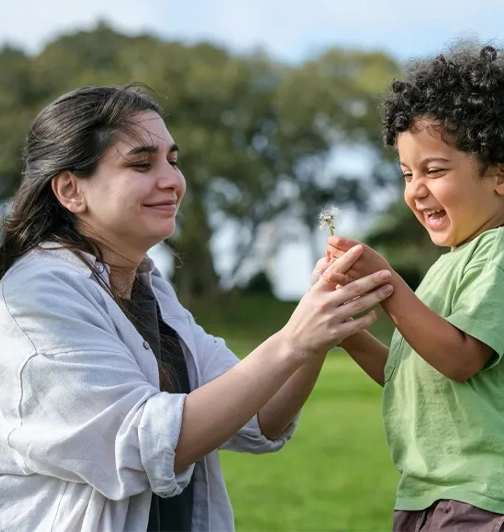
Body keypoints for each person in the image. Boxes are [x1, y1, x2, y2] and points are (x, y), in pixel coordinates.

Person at [0, 85, 394, 532]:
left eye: (172, 160)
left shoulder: (150, 291)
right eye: (141, 163)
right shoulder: (35, 297)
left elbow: (260, 417)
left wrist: (317, 332)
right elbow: (145, 445)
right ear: (71, 189)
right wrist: (293, 338)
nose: (172, 180)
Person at [318, 45, 504, 531]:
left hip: (482, 496)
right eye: (408, 174)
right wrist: (347, 333)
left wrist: (389, 286)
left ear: (502, 175)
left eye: (434, 170)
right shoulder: (450, 265)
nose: (415, 189)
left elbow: (460, 358)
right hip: (428, 492)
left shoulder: (500, 253)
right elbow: (410, 378)